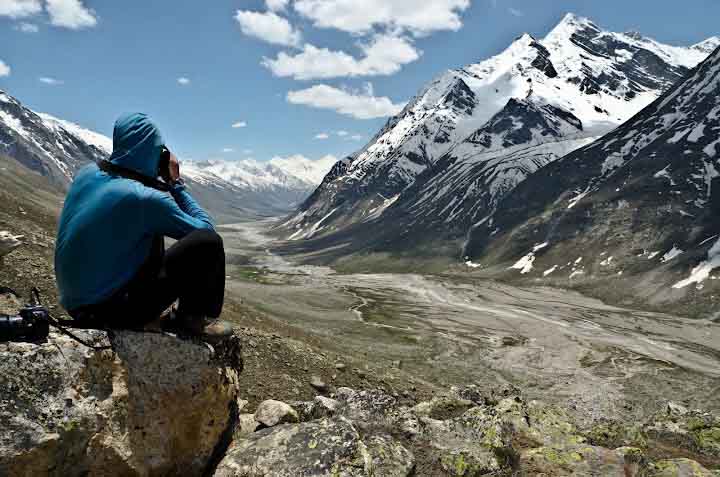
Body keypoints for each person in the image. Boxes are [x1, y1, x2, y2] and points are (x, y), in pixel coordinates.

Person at [54, 113, 232, 340]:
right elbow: (205, 230)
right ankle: (192, 318)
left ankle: (147, 311)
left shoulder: (86, 173)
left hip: (76, 305)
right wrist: (176, 184)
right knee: (208, 244)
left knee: (147, 230)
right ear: (155, 155)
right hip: (110, 312)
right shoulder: (143, 198)